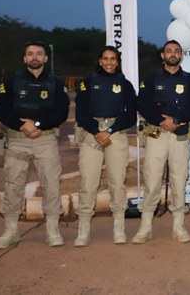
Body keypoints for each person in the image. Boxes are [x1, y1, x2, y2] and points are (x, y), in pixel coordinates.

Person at [0, 40, 69, 249]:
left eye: (39, 54)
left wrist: (37, 124)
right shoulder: (10, 82)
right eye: (30, 54)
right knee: (13, 184)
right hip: (17, 139)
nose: (34, 57)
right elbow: (2, 110)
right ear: (24, 58)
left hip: (45, 139)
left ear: (45, 58)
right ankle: (11, 231)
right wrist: (21, 125)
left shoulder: (56, 83)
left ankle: (52, 230)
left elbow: (61, 112)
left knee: (51, 184)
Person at [131, 40, 190, 244]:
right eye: (169, 51)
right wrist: (162, 120)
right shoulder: (151, 78)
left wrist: (176, 121)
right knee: (152, 181)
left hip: (179, 137)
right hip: (156, 135)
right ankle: (145, 227)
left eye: (176, 51)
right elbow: (142, 104)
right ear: (162, 55)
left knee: (179, 182)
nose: (173, 54)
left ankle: (178, 227)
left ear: (181, 55)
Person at [73, 46, 136, 246]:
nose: (109, 62)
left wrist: (109, 131)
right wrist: (96, 130)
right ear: (100, 61)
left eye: (113, 59)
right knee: (88, 182)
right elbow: (80, 113)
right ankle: (83, 231)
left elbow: (130, 115)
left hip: (115, 133)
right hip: (91, 134)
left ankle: (119, 228)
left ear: (117, 62)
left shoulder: (125, 85)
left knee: (117, 182)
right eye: (106, 59)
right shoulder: (87, 83)